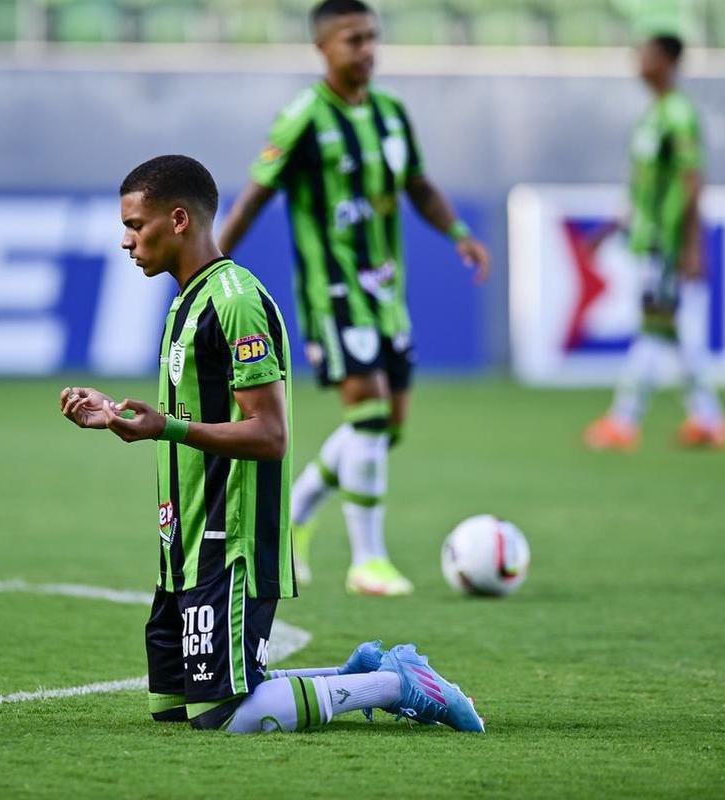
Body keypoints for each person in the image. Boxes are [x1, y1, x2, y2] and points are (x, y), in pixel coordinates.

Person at [60, 154, 484, 734]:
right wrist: (114, 414)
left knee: (222, 716)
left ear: (179, 219)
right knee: (173, 705)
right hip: (181, 543)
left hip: (228, 540)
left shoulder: (235, 301)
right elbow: (184, 414)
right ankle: (353, 672)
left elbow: (271, 435)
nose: (127, 242)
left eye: (135, 226)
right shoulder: (186, 299)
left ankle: (397, 685)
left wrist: (168, 429)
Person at [218, 0, 491, 596]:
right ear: (322, 48)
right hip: (333, 292)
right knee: (366, 416)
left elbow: (417, 184)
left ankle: (291, 519)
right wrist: (211, 268)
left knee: (387, 427)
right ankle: (367, 561)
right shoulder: (303, 119)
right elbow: (255, 197)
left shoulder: (391, 113)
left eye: (372, 37)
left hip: (386, 292)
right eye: (352, 39)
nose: (366, 49)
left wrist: (459, 235)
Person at [583, 33, 725, 451]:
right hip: (647, 241)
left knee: (654, 328)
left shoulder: (679, 115)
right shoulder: (651, 116)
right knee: (672, 331)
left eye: (646, 55)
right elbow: (642, 186)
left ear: (667, 61)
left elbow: (691, 180)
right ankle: (708, 419)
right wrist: (608, 229)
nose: (638, 61)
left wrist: (691, 246)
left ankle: (624, 421)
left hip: (666, 244)